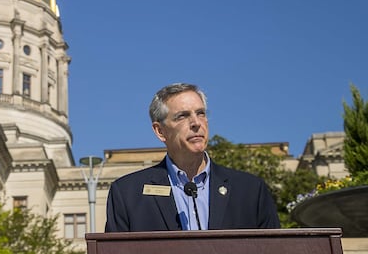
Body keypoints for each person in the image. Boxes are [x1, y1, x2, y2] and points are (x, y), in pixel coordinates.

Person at [105, 83, 280, 232]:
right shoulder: (127, 194)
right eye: (183, 116)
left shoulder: (250, 190)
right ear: (160, 131)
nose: (196, 123)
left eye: (201, 113)